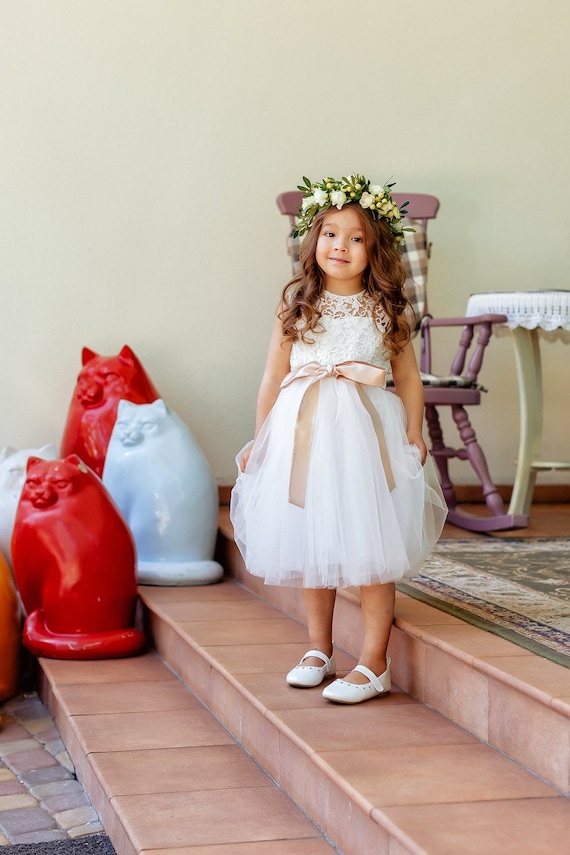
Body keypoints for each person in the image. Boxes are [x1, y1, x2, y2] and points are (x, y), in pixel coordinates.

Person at [230, 173, 447, 704]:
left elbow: (409, 378)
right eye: (330, 234)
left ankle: (374, 662)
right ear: (313, 241)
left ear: (374, 251)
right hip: (303, 435)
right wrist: (261, 441)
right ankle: (318, 648)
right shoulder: (296, 306)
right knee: (312, 537)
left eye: (355, 238)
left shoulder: (385, 308)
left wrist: (415, 433)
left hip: (364, 439)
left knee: (373, 541)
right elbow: (270, 379)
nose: (341, 247)